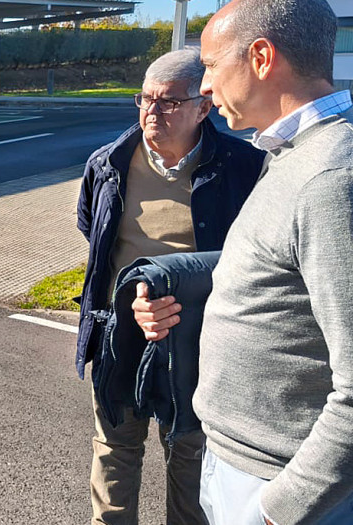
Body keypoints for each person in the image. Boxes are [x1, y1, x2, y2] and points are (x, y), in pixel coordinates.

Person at [134, 0, 353, 523]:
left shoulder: (329, 180)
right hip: (238, 463)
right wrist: (171, 281)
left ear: (260, 57)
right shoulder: (291, 156)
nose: (204, 87)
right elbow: (279, 267)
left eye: (209, 65)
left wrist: (280, 508)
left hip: (283, 484)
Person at [75, 49, 263, 525]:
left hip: (200, 340)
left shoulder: (245, 168)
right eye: (144, 100)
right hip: (121, 333)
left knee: (191, 453)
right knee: (115, 446)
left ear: (203, 107)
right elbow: (93, 232)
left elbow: (256, 257)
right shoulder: (108, 163)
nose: (151, 113)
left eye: (168, 103)